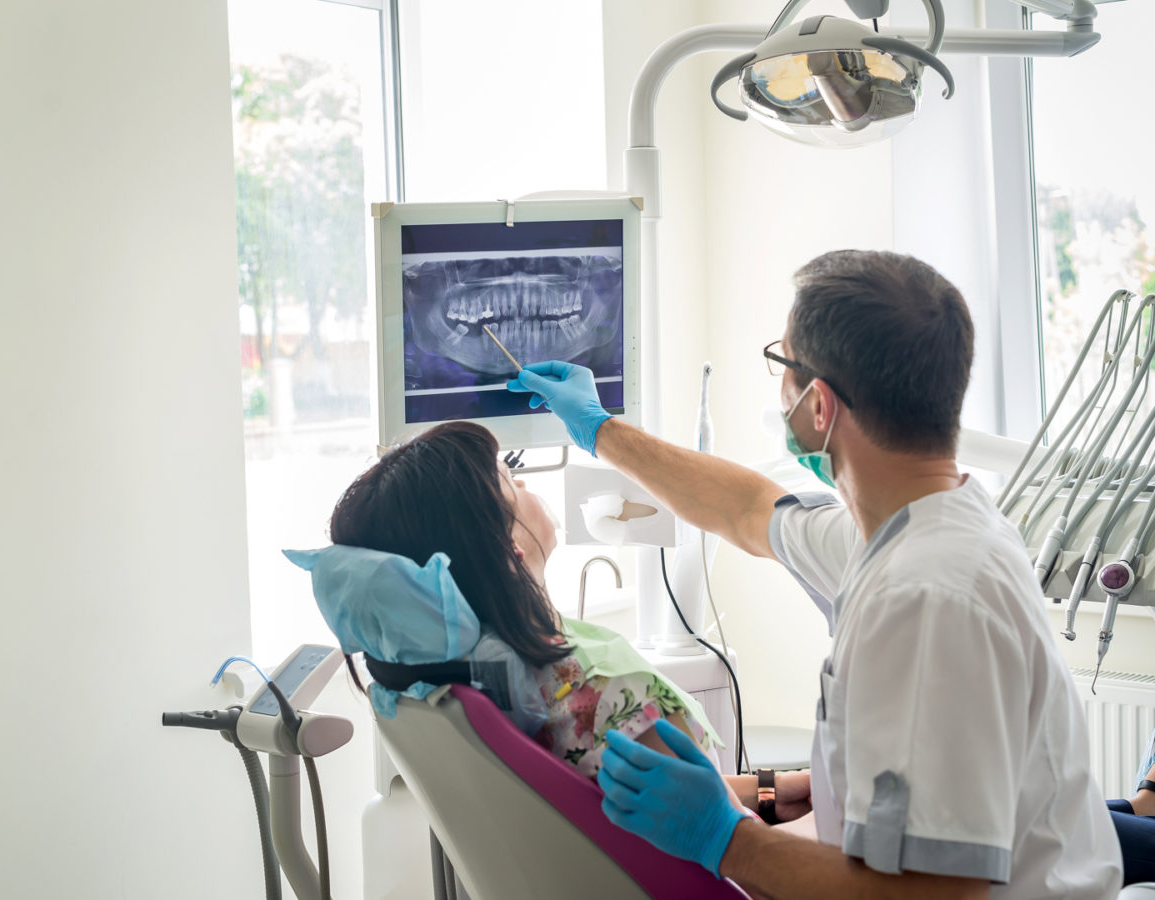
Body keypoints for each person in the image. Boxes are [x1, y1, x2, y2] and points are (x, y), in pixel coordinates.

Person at [506, 249, 1124, 899]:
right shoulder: (914, 527)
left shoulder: (926, 597)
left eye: (784, 364)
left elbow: (937, 894)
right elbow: (744, 508)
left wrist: (727, 838)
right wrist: (601, 430)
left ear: (819, 406)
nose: (781, 389)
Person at [316, 419, 757, 788]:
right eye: (509, 480)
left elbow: (661, 802)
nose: (524, 482)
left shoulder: (479, 689)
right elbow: (732, 842)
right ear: (508, 549)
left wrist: (774, 789)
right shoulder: (613, 698)